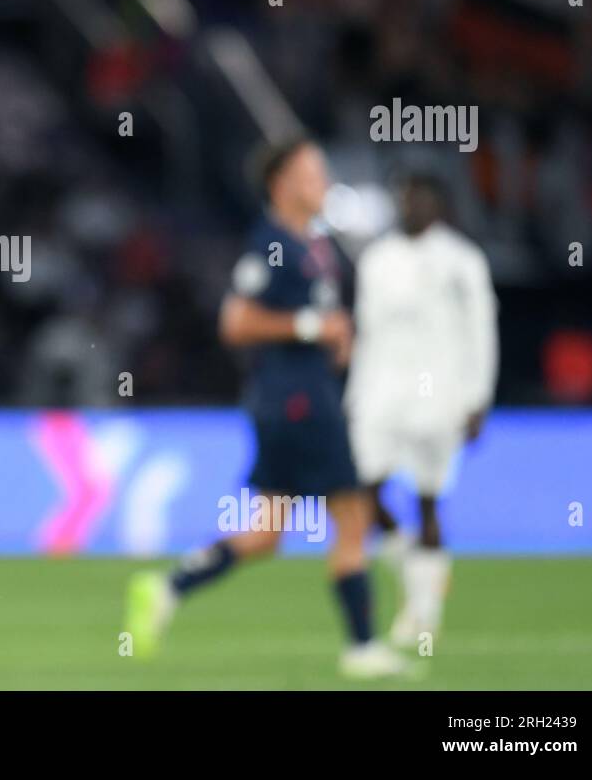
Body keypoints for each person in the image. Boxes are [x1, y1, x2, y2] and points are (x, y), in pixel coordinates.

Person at [125, 138, 408, 679]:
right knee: (352, 515)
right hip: (296, 402)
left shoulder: (311, 246)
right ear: (281, 184)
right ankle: (362, 647)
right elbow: (235, 322)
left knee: (267, 532)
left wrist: (333, 337)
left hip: (301, 397)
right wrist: (311, 327)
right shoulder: (270, 244)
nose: (322, 182)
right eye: (311, 173)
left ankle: (168, 587)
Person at [346, 171, 498, 647]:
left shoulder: (462, 260)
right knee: (360, 492)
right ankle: (419, 576)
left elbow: (481, 331)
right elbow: (365, 333)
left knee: (428, 500)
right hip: (380, 396)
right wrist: (354, 396)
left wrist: (478, 400)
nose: (410, 207)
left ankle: (424, 612)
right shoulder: (376, 259)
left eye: (420, 199)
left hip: (440, 399)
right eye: (405, 199)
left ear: (440, 206)